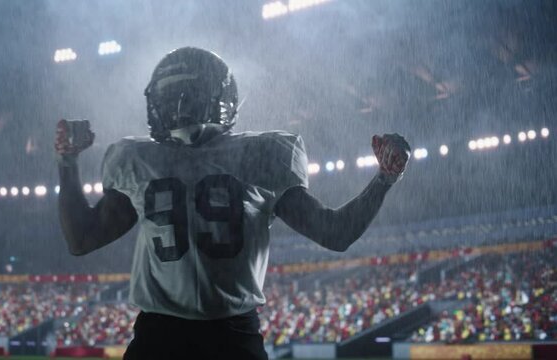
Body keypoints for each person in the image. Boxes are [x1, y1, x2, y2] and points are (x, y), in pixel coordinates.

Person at [55, 47, 410, 360]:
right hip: (229, 339)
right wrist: (383, 179)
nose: (179, 108)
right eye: (173, 97)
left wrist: (68, 163)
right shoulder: (261, 156)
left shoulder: (137, 160)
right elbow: (336, 233)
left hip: (161, 339)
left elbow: (81, 239)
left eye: (184, 96)